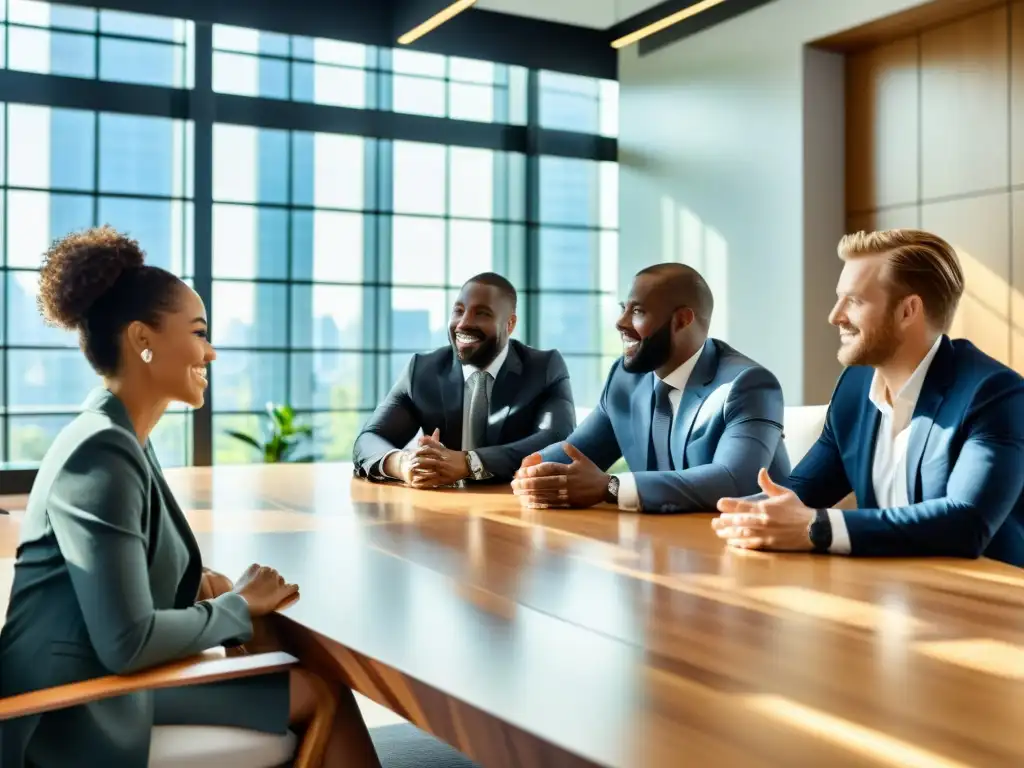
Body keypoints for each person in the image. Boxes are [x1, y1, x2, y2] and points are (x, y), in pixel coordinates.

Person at [0, 227, 356, 767]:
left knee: (280, 659)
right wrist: (233, 604)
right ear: (142, 339)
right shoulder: (101, 451)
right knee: (320, 693)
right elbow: (128, 641)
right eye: (198, 332)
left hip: (105, 677)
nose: (210, 352)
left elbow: (130, 575)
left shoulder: (123, 436)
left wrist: (210, 586)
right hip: (70, 710)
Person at [713, 228, 1024, 567]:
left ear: (908, 311)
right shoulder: (856, 386)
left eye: (855, 301)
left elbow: (966, 523)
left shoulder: (995, 394)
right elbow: (803, 490)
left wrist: (817, 528)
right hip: (888, 592)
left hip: (984, 602)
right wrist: (748, 514)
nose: (835, 316)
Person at [511, 263, 790, 513]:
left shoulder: (748, 384)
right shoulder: (625, 378)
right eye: (624, 308)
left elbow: (734, 480)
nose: (620, 323)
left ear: (682, 320)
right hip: (657, 542)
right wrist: (534, 470)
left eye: (637, 311)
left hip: (746, 547)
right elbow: (578, 453)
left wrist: (611, 487)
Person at [353, 272, 576, 486]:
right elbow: (369, 439)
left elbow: (558, 440)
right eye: (459, 311)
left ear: (510, 324)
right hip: (444, 510)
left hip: (515, 505)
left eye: (482, 313)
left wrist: (469, 462)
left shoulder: (544, 368)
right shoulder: (423, 370)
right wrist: (402, 463)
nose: (463, 324)